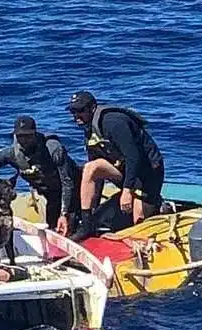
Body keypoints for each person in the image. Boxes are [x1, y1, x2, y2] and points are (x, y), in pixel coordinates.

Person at [67, 91, 165, 241]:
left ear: (92, 108)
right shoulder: (90, 130)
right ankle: (86, 225)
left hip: (147, 173)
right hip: (125, 171)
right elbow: (96, 176)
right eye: (73, 111)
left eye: (80, 111)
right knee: (91, 167)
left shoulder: (113, 123)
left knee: (138, 219)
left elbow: (133, 157)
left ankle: (158, 205)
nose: (76, 116)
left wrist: (127, 191)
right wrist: (92, 211)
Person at [0, 116, 82, 236]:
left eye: (28, 136)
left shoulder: (52, 149)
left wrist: (64, 213)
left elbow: (68, 182)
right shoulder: (12, 154)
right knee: (53, 230)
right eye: (20, 136)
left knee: (73, 230)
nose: (24, 140)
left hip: (74, 192)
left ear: (35, 134)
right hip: (52, 197)